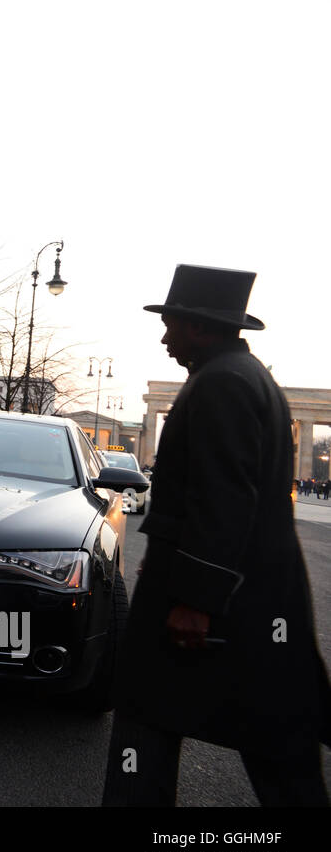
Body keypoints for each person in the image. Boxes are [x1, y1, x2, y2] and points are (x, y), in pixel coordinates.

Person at [102, 264, 330, 807]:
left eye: (172, 325)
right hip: (253, 598)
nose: (165, 338)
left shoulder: (222, 383)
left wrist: (194, 598)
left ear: (199, 327)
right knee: (276, 739)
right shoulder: (244, 377)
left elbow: (223, 497)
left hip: (219, 603)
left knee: (151, 715)